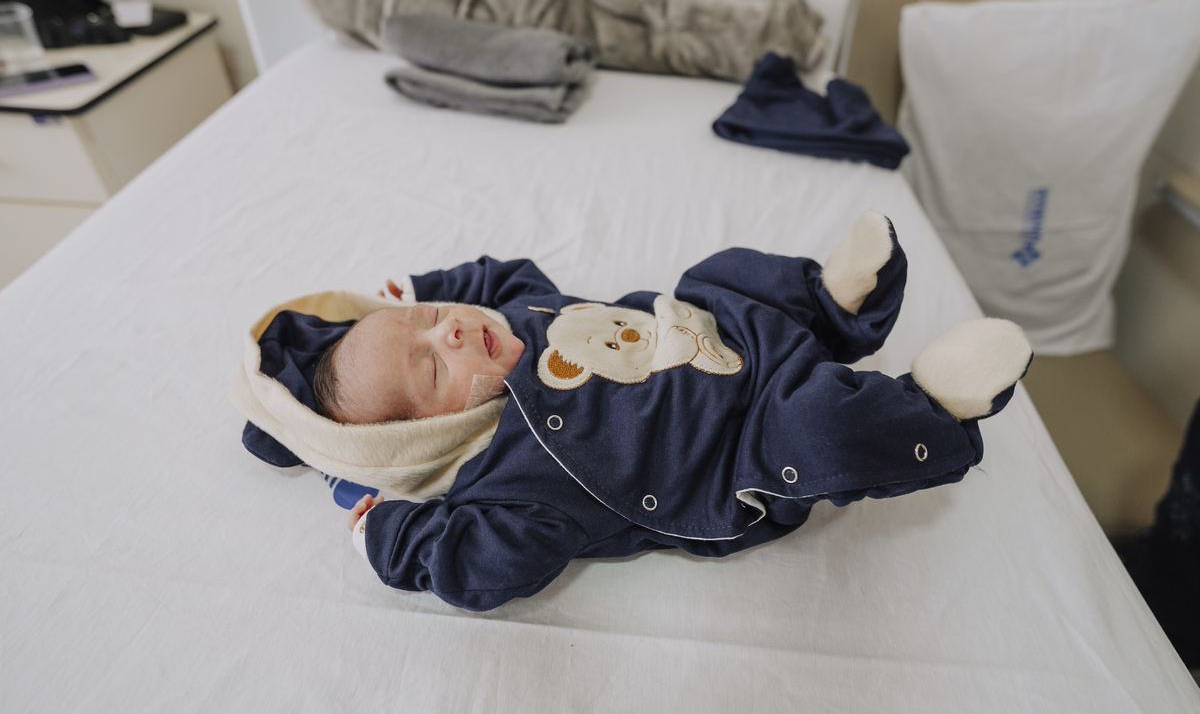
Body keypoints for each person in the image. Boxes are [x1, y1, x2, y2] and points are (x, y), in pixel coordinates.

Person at [232, 211, 1032, 611]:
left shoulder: (517, 315)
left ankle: (829, 302)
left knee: (720, 273)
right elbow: (481, 566)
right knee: (819, 431)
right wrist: (389, 535)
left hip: (712, 331)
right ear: (423, 433)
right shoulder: (505, 484)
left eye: (428, 321)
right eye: (433, 365)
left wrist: (420, 290)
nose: (451, 331)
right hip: (736, 450)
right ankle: (932, 403)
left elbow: (496, 278)